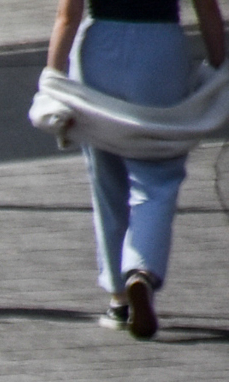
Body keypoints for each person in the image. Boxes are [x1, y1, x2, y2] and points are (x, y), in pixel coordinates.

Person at [48, 0, 227, 339]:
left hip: (99, 47)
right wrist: (220, 70)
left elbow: (67, 15)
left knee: (106, 175)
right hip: (160, 48)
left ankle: (118, 299)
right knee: (158, 175)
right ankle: (141, 270)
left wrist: (52, 80)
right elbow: (207, 10)